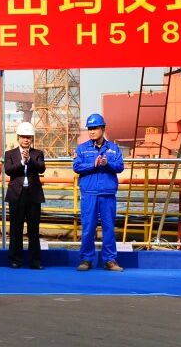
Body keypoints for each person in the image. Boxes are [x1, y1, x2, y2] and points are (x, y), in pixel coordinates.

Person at [74, 113, 125, 272]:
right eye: (89, 128)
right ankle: (86, 259)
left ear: (103, 129)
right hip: (89, 193)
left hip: (107, 194)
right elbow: (76, 167)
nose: (91, 131)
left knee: (108, 228)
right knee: (88, 227)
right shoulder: (82, 149)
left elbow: (120, 167)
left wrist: (107, 163)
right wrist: (93, 164)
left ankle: (110, 260)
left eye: (95, 128)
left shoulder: (113, 149)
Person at [4, 122, 46, 269]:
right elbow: (8, 170)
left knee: (33, 229)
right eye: (23, 137)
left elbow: (41, 168)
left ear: (32, 138)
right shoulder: (10, 154)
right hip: (17, 195)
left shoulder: (37, 153)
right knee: (16, 228)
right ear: (18, 138)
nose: (26, 140)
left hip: (33, 195)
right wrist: (22, 162)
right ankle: (15, 259)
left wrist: (30, 160)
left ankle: (35, 261)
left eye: (28, 137)